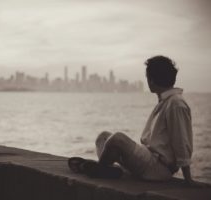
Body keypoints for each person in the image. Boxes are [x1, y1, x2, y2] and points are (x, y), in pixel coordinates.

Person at [69, 55, 202, 186]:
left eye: (147, 77)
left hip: (159, 169)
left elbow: (181, 141)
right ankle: (106, 169)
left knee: (117, 139)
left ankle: (100, 169)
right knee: (103, 137)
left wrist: (188, 179)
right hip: (149, 159)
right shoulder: (166, 101)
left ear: (152, 79)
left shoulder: (175, 103)